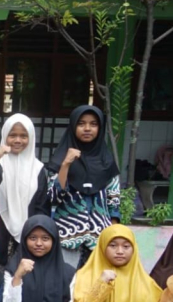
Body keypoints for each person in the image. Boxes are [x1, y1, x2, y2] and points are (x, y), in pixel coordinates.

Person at [46, 105, 121, 268]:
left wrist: (114, 235)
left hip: (100, 238)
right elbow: (53, 197)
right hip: (66, 237)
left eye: (93, 124)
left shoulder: (107, 162)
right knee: (67, 281)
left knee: (99, 281)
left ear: (100, 128)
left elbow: (113, 202)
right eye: (81, 123)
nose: (87, 128)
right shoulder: (60, 159)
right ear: (73, 126)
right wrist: (66, 164)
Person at [0, 114, 47, 266]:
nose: (18, 140)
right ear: (4, 136)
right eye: (12, 135)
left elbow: (42, 206)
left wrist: (36, 233)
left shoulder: (38, 169)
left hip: (29, 231)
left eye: (24, 136)